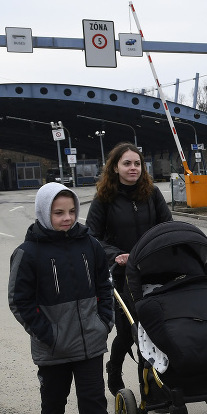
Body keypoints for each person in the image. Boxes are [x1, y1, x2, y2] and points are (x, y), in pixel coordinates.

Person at [8, 183, 125, 414]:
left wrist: (104, 323)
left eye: (72, 211)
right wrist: (50, 336)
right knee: (53, 403)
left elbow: (104, 284)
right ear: (44, 212)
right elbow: (20, 302)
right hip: (53, 349)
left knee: (93, 403)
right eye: (58, 212)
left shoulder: (90, 245)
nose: (67, 218)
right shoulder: (28, 252)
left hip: (89, 343)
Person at [86, 142, 172, 398]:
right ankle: (115, 369)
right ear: (115, 167)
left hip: (153, 270)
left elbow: (166, 225)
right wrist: (115, 254)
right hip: (121, 274)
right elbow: (91, 237)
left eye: (137, 163)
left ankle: (153, 388)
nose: (133, 168)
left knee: (154, 330)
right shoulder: (104, 199)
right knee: (129, 332)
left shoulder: (152, 193)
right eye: (127, 163)